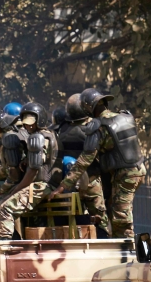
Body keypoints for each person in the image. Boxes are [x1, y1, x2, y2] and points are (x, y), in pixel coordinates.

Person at [51, 89, 146, 239]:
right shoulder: (125, 116)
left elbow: (85, 160)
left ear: (88, 107)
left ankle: (127, 252)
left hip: (125, 175)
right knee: (116, 210)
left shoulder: (99, 126)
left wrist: (63, 185)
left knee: (120, 218)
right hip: (139, 169)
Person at [0, 103, 60, 239]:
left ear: (40, 119)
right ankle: (14, 241)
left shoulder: (38, 138)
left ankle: (6, 247)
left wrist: (17, 189)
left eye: (31, 123)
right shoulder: (49, 134)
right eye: (26, 123)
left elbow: (33, 172)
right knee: (1, 205)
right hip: (45, 184)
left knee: (5, 208)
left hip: (43, 185)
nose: (28, 126)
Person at [56, 94, 110, 237]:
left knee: (75, 219)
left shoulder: (61, 131)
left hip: (69, 184)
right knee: (100, 219)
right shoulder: (92, 129)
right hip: (91, 181)